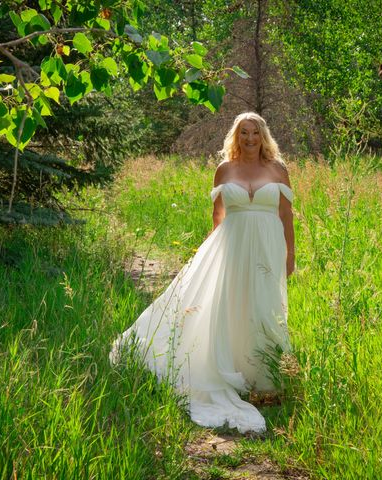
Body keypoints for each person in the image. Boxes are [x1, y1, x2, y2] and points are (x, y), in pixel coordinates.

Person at [110, 112, 295, 433]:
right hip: (231, 248)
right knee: (230, 308)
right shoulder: (224, 170)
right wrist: (207, 258)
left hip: (267, 249)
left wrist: (290, 254)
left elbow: (286, 215)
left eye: (254, 133)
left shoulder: (279, 170)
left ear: (263, 136)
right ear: (235, 137)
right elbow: (218, 217)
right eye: (243, 133)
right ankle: (230, 374)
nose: (249, 139)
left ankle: (264, 382)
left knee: (264, 310)